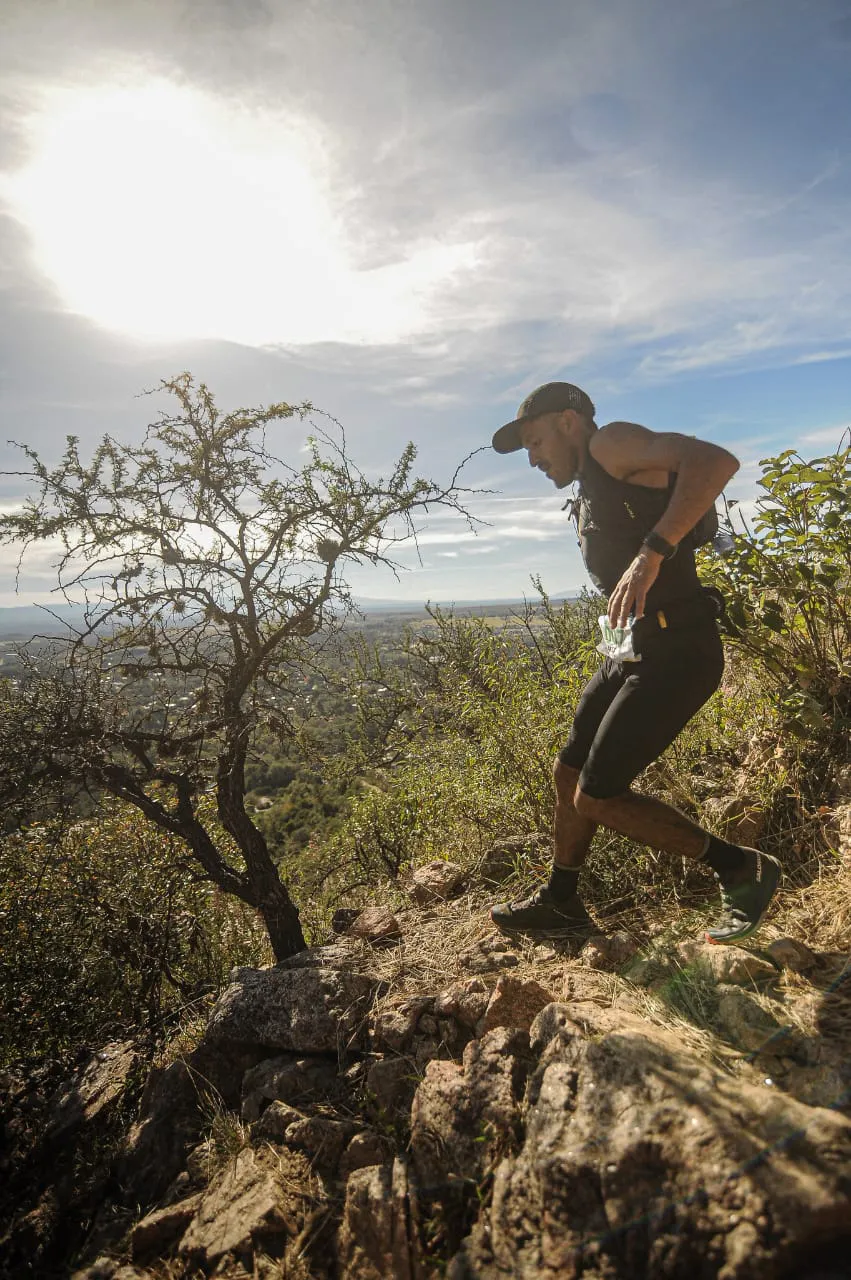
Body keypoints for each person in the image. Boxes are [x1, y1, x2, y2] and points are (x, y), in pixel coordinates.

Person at [489, 382, 780, 945]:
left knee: (598, 795)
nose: (532, 457)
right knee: (569, 771)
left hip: (677, 651)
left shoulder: (610, 444)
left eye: (535, 440)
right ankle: (562, 901)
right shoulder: (592, 482)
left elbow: (716, 461)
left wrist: (652, 554)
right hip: (630, 648)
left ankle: (742, 868)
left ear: (569, 422)